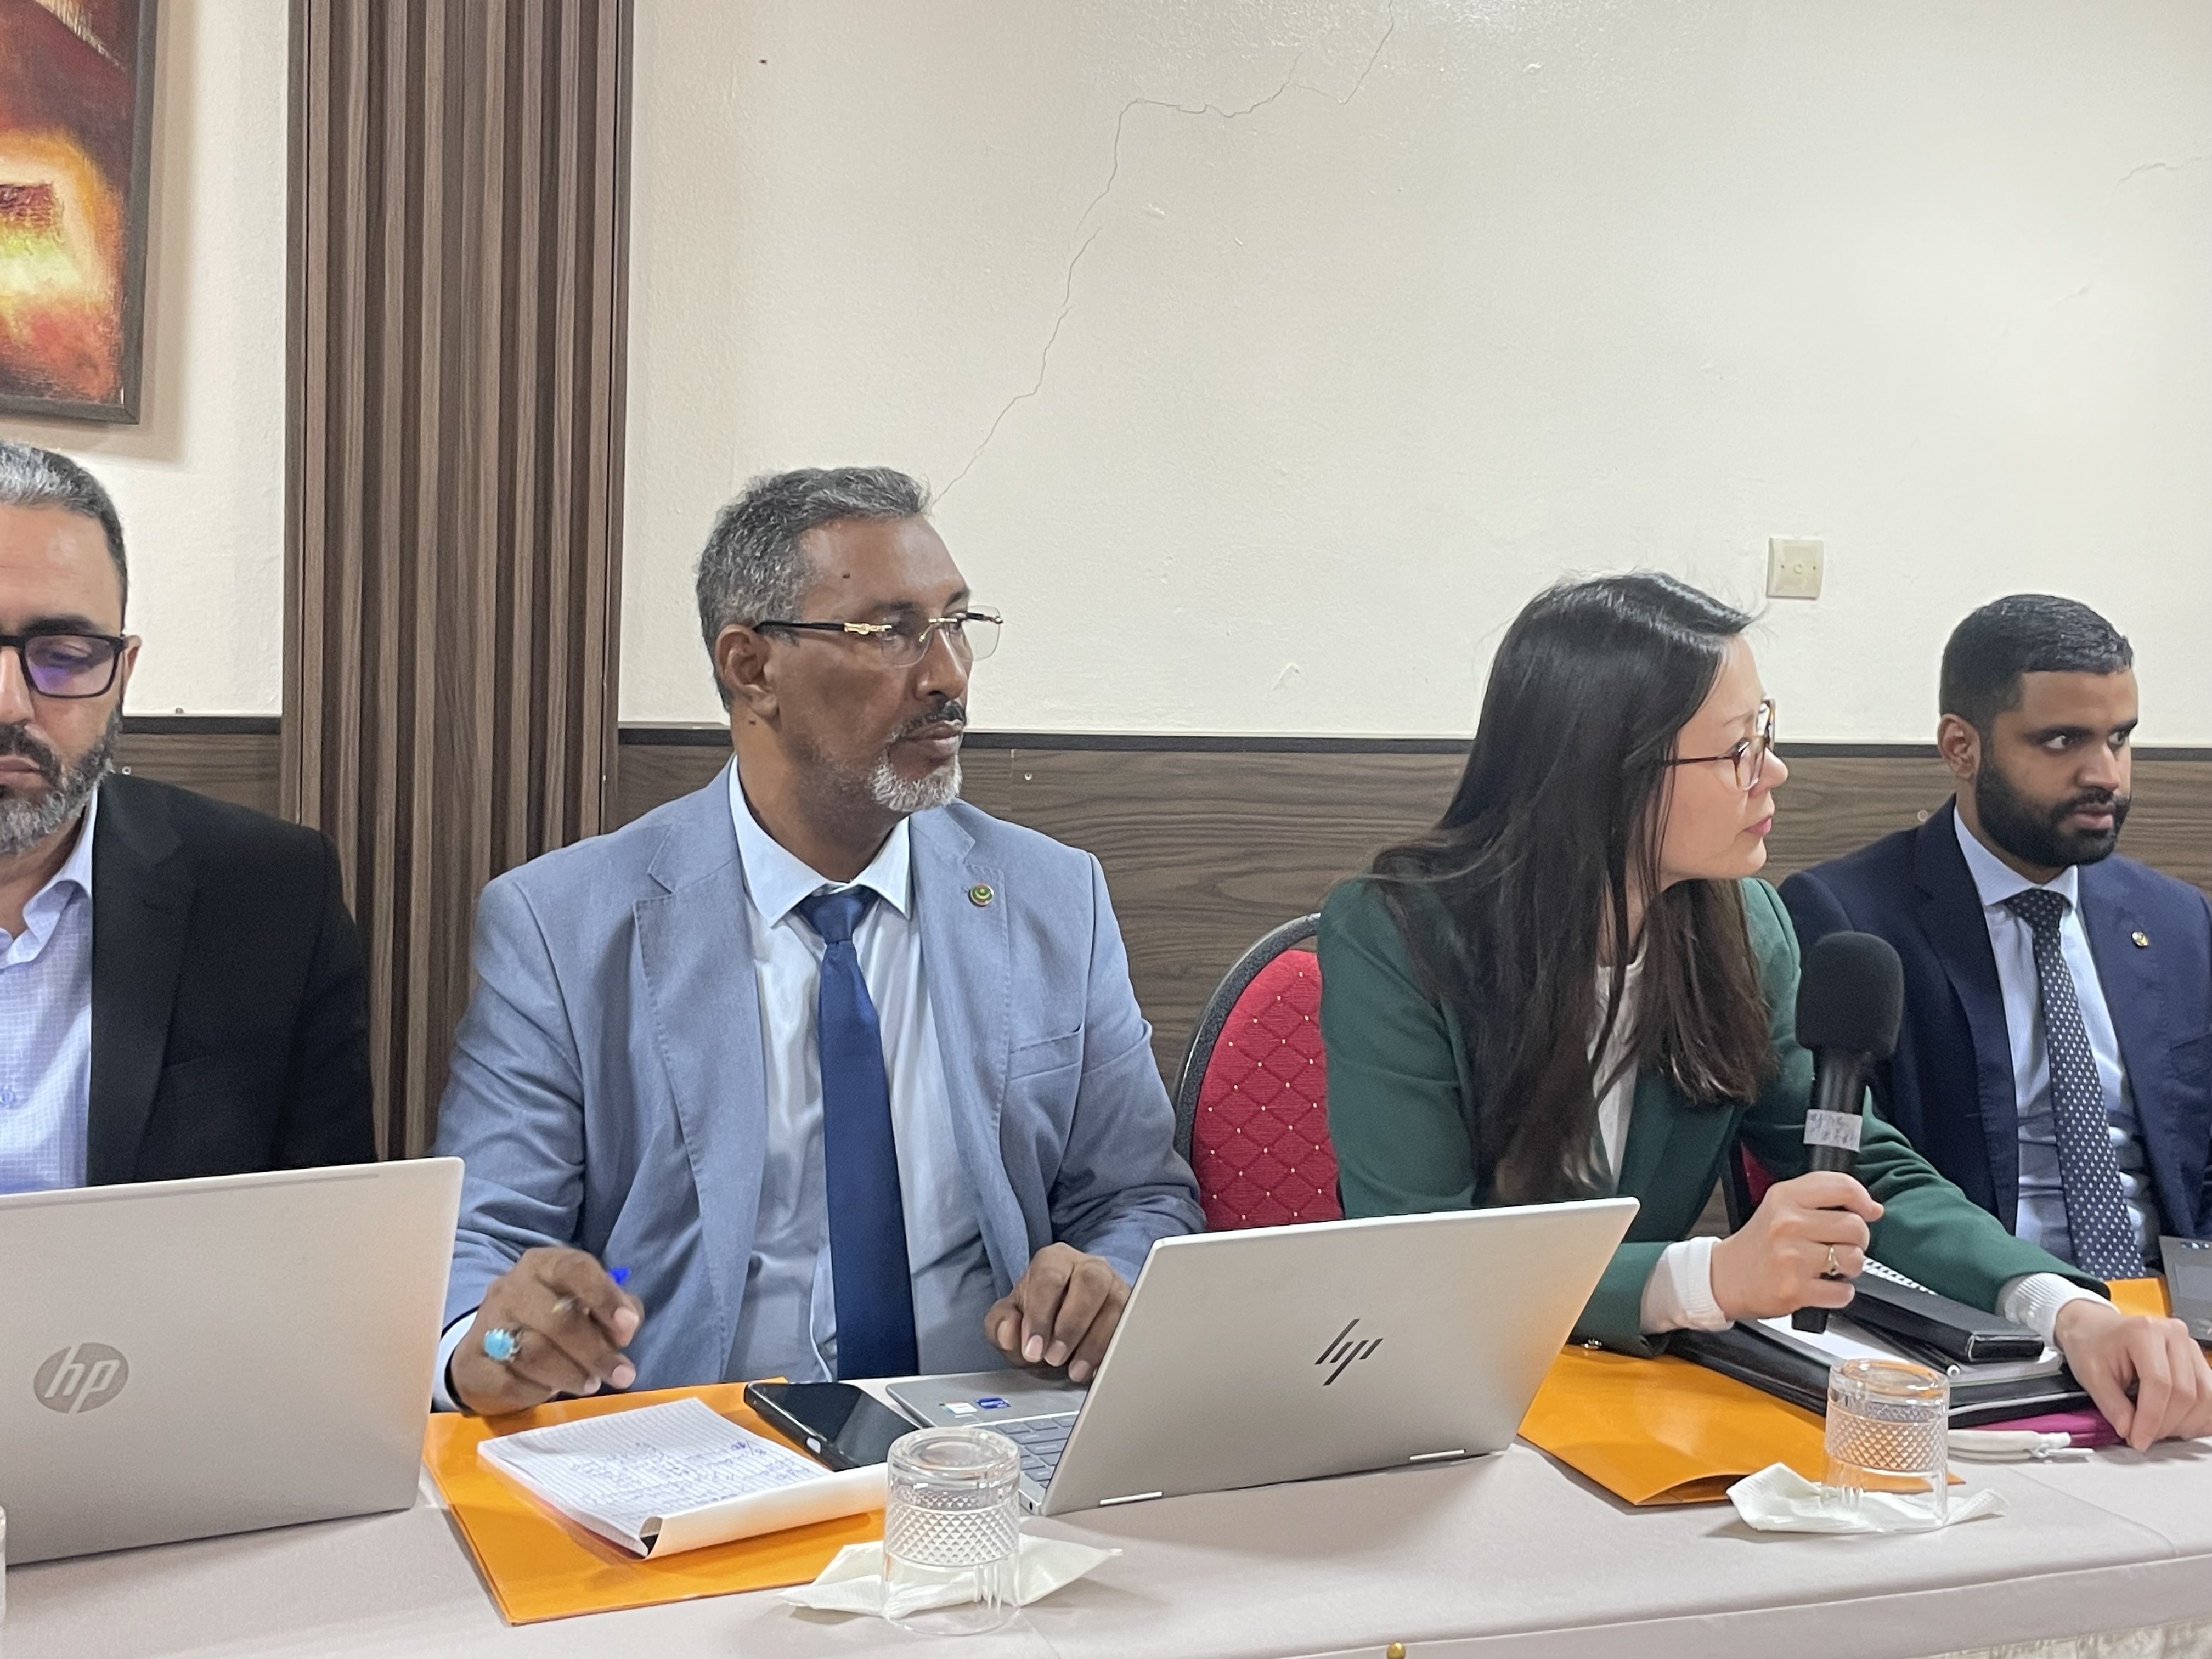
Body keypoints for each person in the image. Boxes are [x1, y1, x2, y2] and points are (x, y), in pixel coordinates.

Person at [1318, 572, 2212, 1448]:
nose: (1774, 770)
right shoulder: (1397, 931)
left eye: (1767, 732)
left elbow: (1870, 1175)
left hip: (1633, 1395)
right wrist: (1707, 1274)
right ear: (1609, 772)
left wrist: (2063, 1307)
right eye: (1738, 749)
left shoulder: (1742, 924)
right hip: (1445, 1409)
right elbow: (1416, 1257)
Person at [431, 466, 1201, 1415]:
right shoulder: (561, 925)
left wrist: (1104, 1282)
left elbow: (1139, 1198)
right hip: (690, 1444)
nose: (948, 675)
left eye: (957, 623)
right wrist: (491, 1348)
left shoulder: (1052, 897)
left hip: (985, 1437)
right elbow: (482, 1249)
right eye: (892, 633)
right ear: (752, 667)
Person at [1782, 596, 2210, 1277]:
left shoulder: (2178, 921)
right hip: (1975, 1303)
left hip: (2169, 1306)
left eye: (2120, 739)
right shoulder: (1851, 920)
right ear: (1962, 747)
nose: (2106, 775)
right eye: (2063, 741)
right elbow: (1852, 1168)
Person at [0, 441, 374, 1193]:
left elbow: (320, 1230)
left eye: (64, 655)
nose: (9, 705)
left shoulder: (271, 895)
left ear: (123, 673)